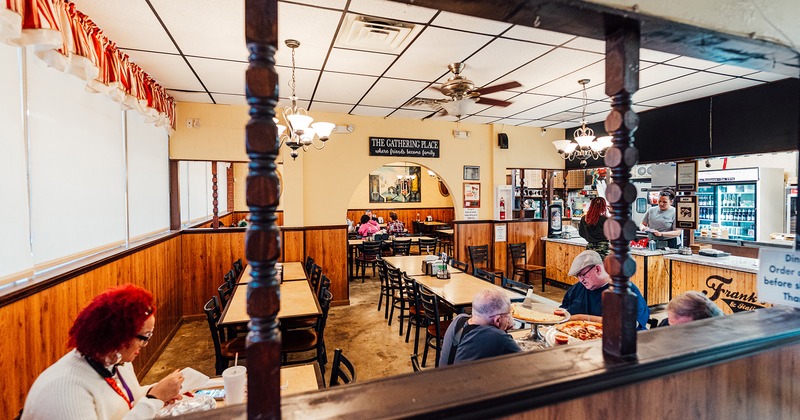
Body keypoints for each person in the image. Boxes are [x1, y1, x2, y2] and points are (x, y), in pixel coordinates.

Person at [23, 284, 184, 419]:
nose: (145, 344)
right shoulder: (63, 390)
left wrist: (159, 391)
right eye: (145, 336)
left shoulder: (117, 362)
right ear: (118, 336)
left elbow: (124, 401)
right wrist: (154, 399)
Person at [560, 250, 650, 330]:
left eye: (583, 274)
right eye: (577, 276)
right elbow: (562, 313)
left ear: (598, 269)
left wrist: (580, 318)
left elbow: (633, 324)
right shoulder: (576, 289)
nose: (581, 280)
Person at [439, 289, 521, 366]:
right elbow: (526, 361)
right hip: (462, 380)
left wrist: (502, 327)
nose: (510, 319)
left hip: (443, 377)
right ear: (497, 320)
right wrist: (502, 330)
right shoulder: (498, 337)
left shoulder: (458, 319)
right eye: (508, 315)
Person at [659, 291, 724, 327]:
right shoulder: (665, 324)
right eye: (671, 323)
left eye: (680, 327)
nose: (672, 331)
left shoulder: (724, 337)